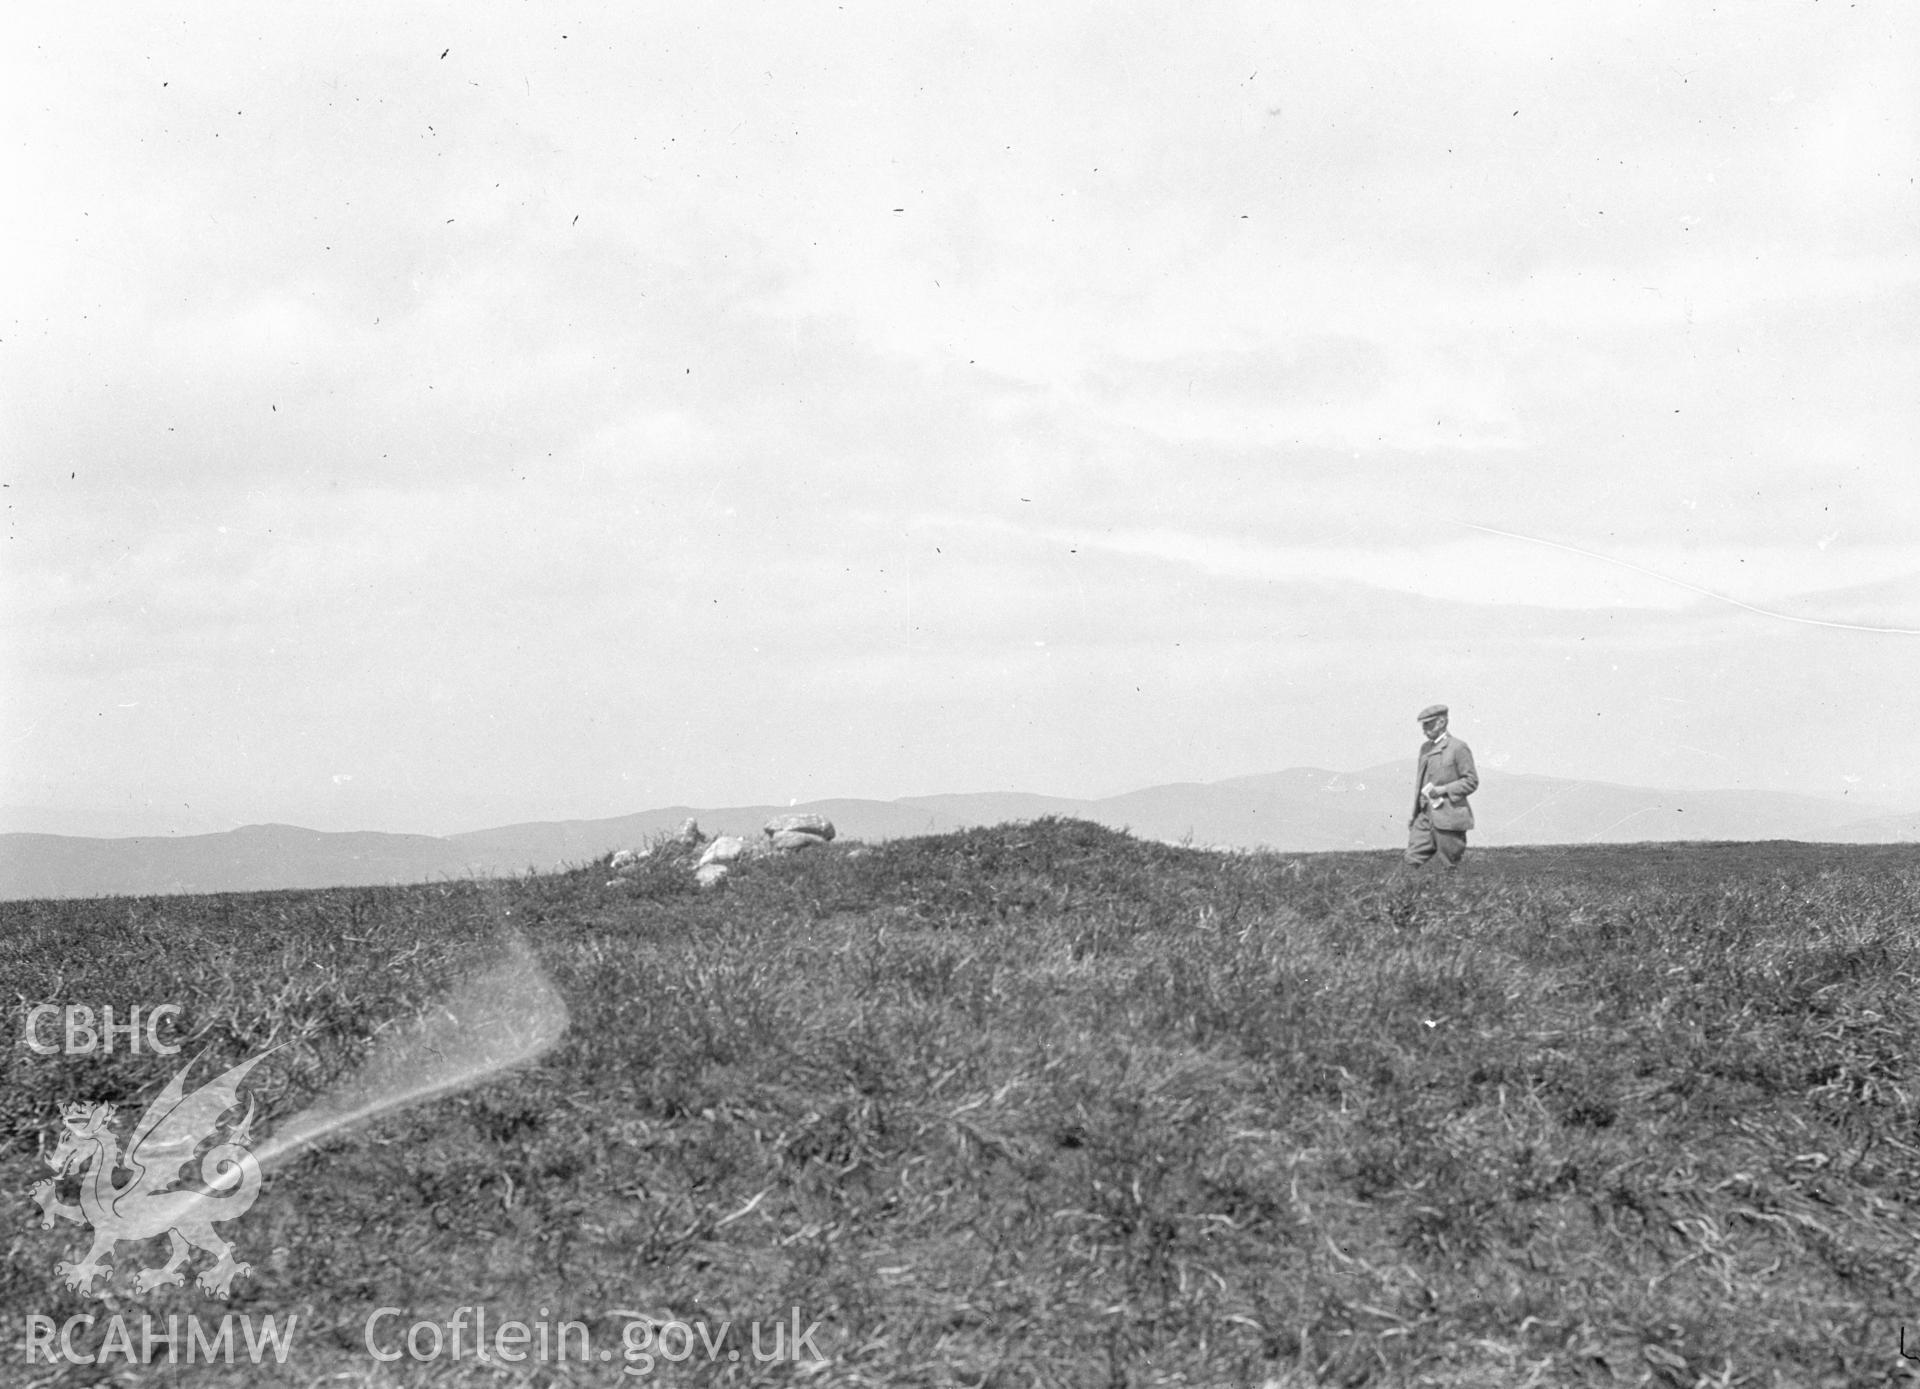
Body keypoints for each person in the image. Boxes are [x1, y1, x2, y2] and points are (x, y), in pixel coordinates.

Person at [1407, 703, 1477, 868]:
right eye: (1424, 725)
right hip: (1424, 816)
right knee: (1411, 860)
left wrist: (1444, 790)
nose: (1424, 729)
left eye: (1428, 724)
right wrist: (1416, 814)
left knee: (1449, 865)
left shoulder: (1458, 747)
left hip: (1449, 817)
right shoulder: (1425, 749)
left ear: (1442, 722)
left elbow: (1471, 781)